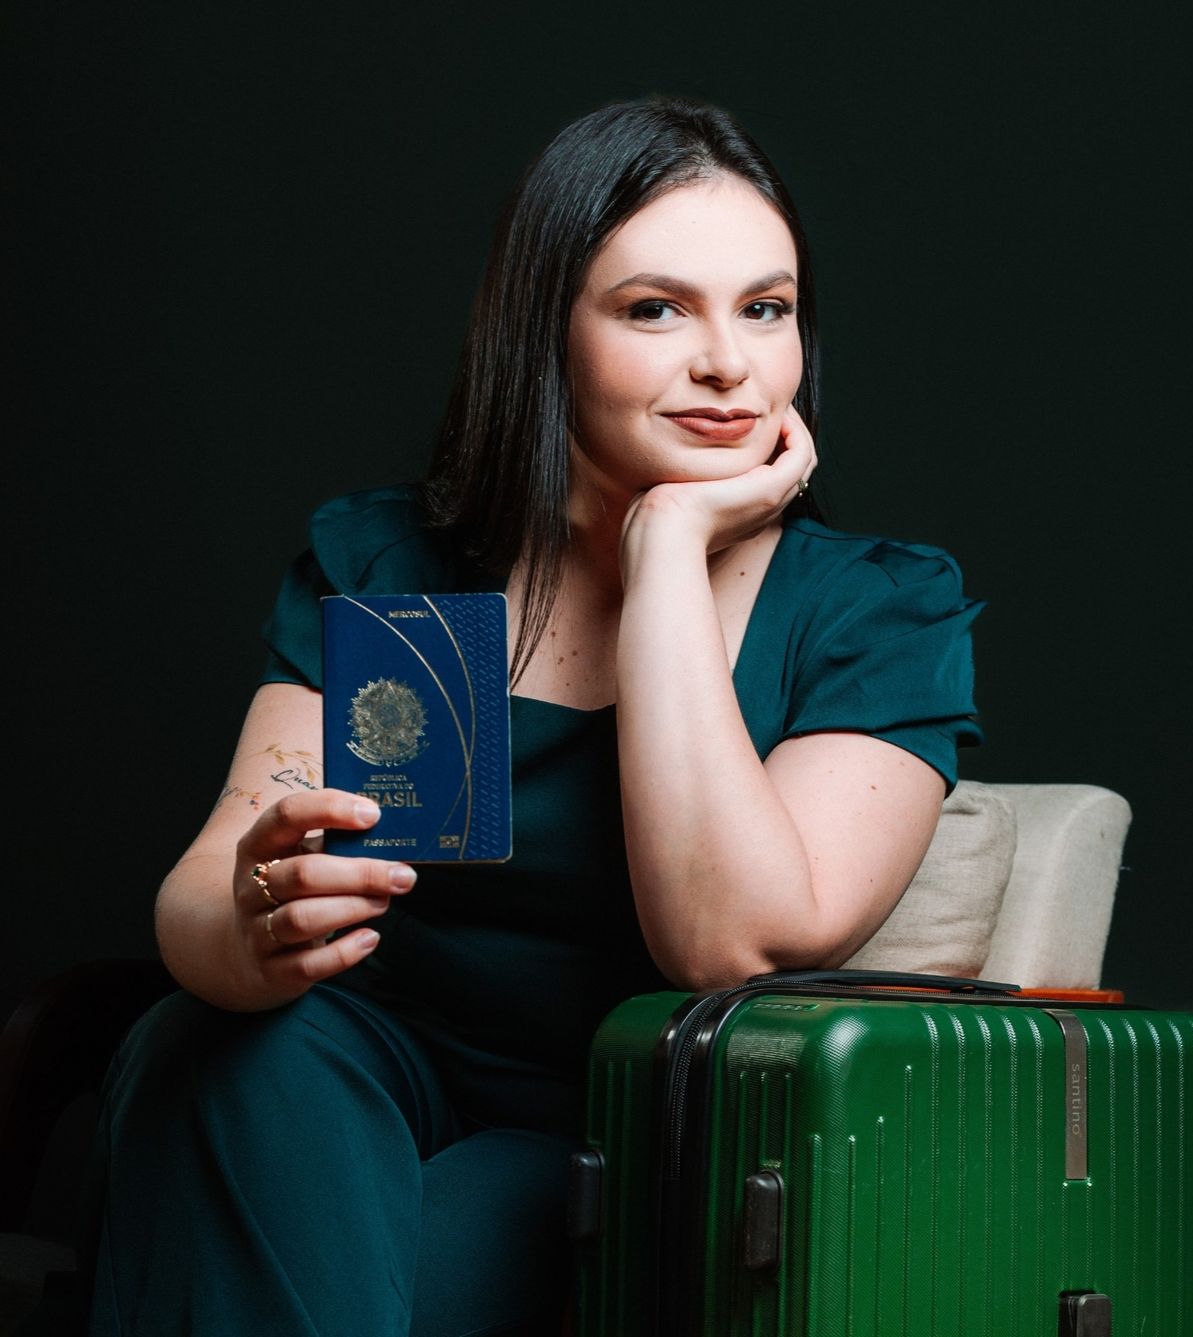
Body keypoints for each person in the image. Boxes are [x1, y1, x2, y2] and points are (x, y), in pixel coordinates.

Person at [81, 96, 981, 1336]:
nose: (727, 362)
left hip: (613, 1127)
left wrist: (665, 549)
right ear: (545, 331)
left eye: (764, 308)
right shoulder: (402, 564)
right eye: (655, 309)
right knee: (216, 1041)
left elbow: (725, 940)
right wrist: (249, 922)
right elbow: (203, 897)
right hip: (346, 1072)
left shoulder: (873, 610)